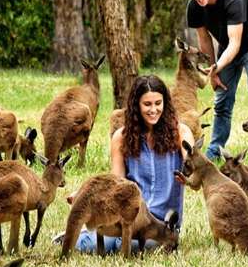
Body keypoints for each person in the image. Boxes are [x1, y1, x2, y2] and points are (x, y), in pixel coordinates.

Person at [60, 75, 193, 254]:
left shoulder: (181, 132)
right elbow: (116, 182)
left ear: (165, 103)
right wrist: (83, 194)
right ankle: (79, 237)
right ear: (136, 106)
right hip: (128, 216)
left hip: (162, 224)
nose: (153, 110)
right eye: (147, 104)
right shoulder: (121, 137)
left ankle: (102, 238)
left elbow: (193, 162)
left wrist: (190, 172)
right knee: (98, 245)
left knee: (138, 246)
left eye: (158, 103)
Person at [181, 0, 248, 160]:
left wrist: (218, 66)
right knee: (222, 100)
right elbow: (204, 39)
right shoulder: (194, 7)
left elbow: (235, 43)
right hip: (227, 49)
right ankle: (214, 151)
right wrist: (212, 71)